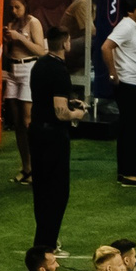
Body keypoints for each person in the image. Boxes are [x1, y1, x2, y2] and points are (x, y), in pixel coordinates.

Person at [28, 27, 82, 257]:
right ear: (67, 42)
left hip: (37, 132)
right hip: (53, 137)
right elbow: (60, 112)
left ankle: (43, 241)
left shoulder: (39, 65)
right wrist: (76, 115)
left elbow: (47, 99)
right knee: (57, 192)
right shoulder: (59, 70)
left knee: (41, 190)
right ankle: (48, 244)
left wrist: (70, 103)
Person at [103, 0, 136, 185]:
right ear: (131, 10)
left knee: (128, 128)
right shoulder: (126, 27)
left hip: (133, 82)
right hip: (129, 83)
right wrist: (113, 73)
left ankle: (126, 170)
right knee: (132, 130)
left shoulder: (132, 27)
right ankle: (130, 173)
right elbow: (106, 47)